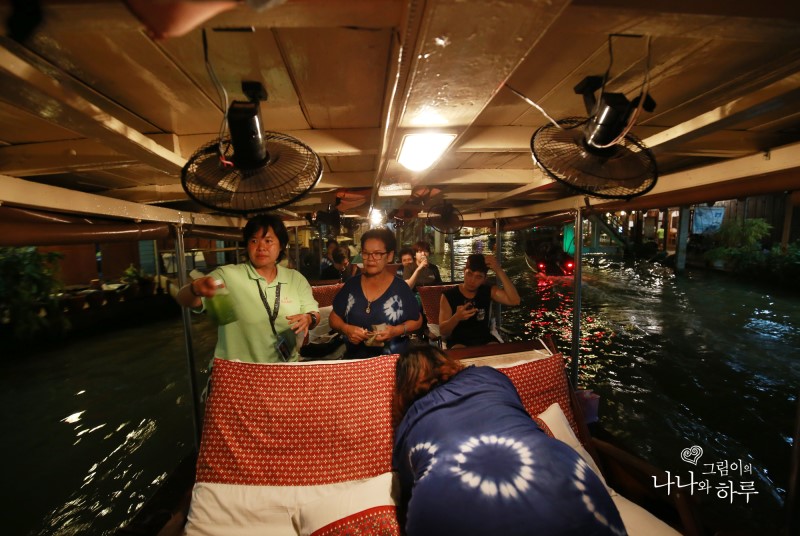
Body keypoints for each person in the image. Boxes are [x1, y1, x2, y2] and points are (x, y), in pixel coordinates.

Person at [392, 345, 625, 536]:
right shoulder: (487, 376)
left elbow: (406, 488)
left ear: (404, 384)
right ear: (446, 362)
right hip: (560, 467)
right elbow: (517, 413)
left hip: (442, 498)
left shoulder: (408, 424)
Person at [174, 214, 319, 363]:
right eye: (254, 240)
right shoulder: (227, 275)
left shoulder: (295, 279)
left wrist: (309, 318)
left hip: (285, 369)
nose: (261, 247)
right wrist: (194, 289)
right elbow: (182, 299)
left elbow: (314, 312)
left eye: (268, 241)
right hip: (237, 372)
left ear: (281, 245)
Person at [329, 228, 422, 359]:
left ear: (389, 256)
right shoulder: (351, 285)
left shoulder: (400, 288)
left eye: (377, 254)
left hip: (392, 363)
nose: (371, 259)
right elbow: (333, 318)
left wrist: (396, 331)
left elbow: (417, 320)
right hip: (355, 362)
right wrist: (346, 329)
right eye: (366, 253)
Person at [439, 253, 520, 347]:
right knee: (459, 350)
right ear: (464, 271)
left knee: (496, 351)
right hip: (459, 340)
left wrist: (498, 270)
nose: (472, 280)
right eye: (469, 274)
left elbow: (515, 301)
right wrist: (456, 317)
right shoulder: (449, 295)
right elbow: (443, 332)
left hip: (484, 339)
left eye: (478, 277)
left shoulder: (488, 291)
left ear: (484, 279)